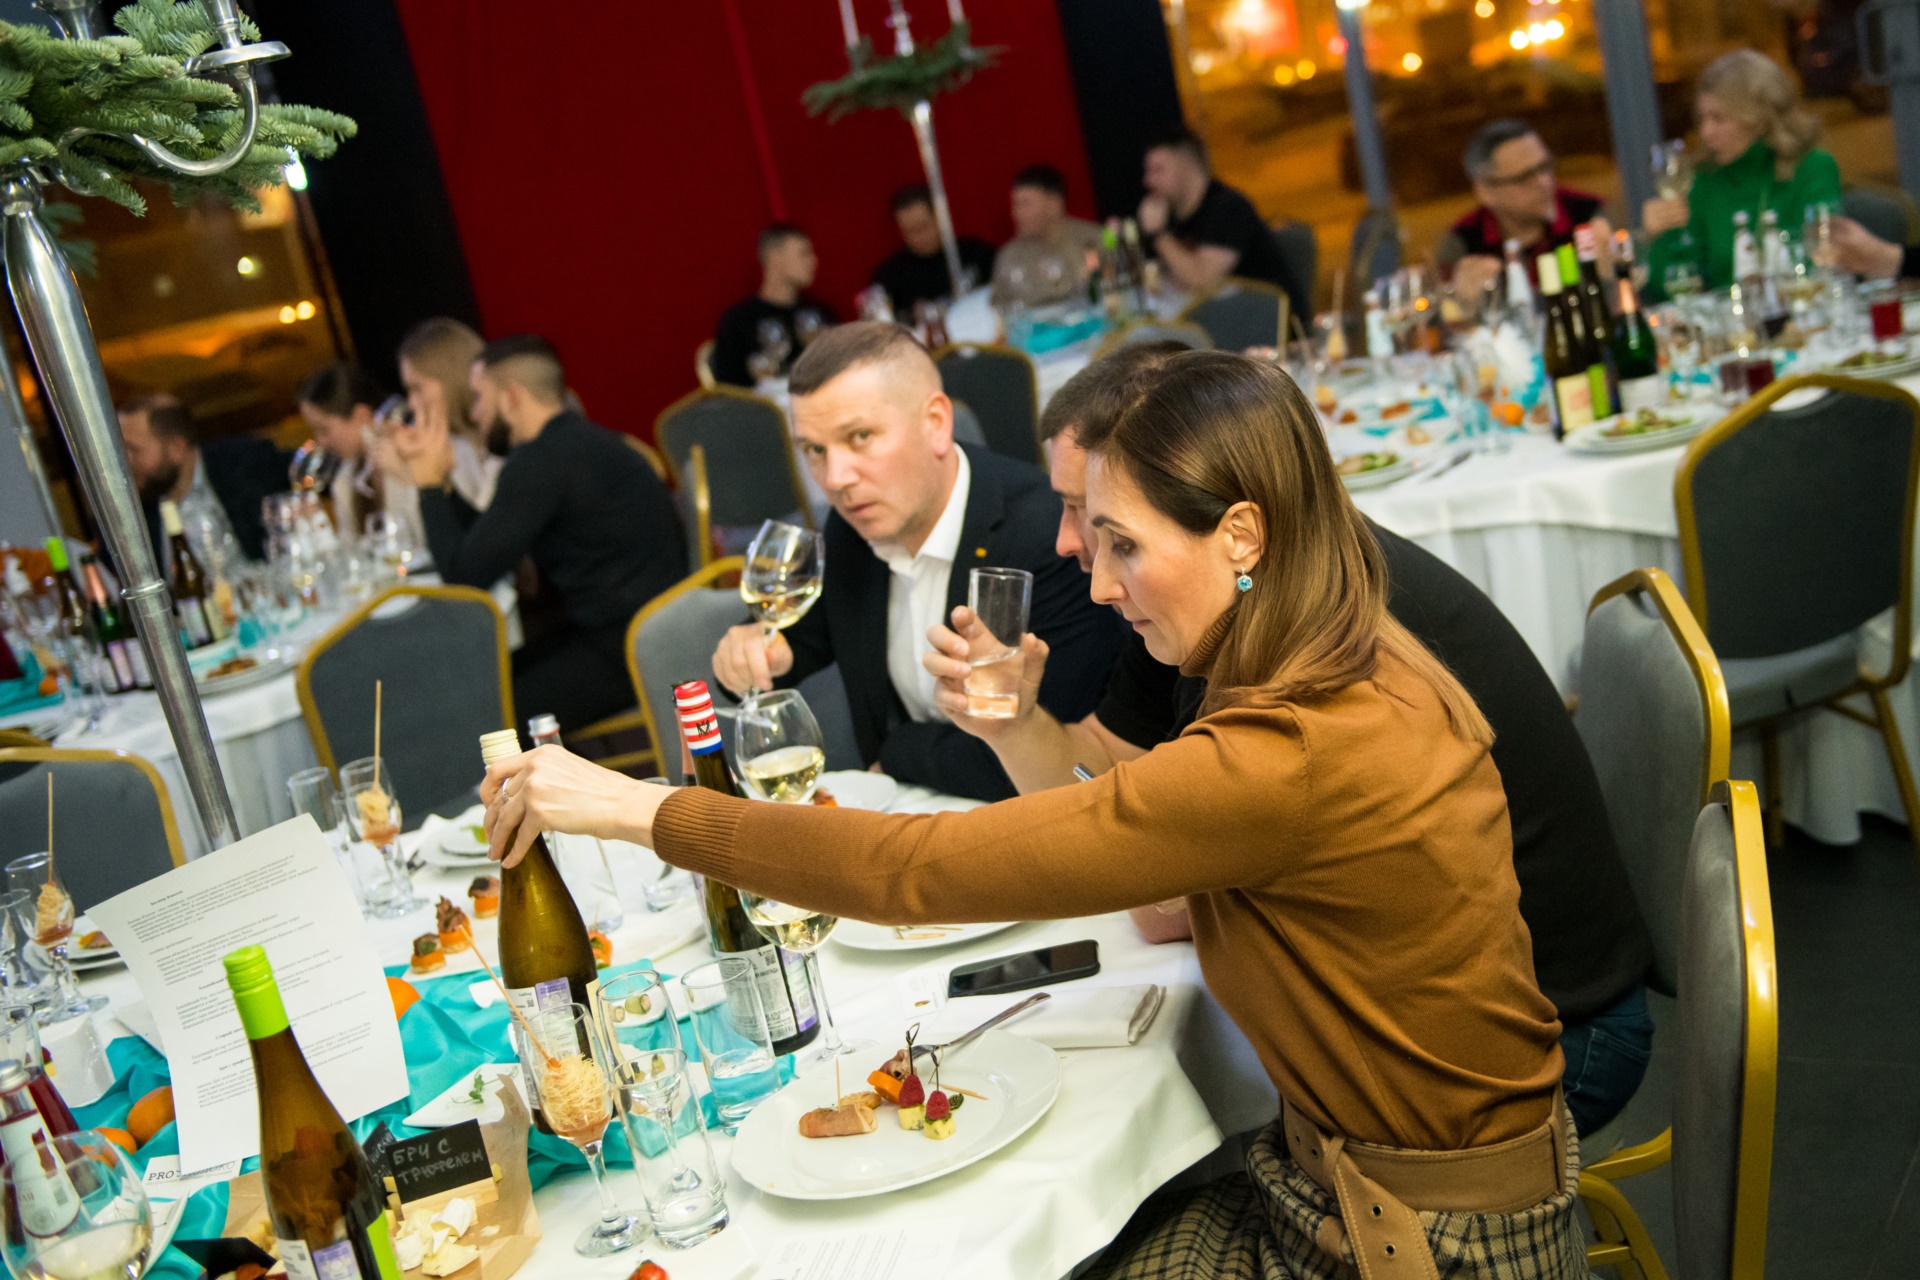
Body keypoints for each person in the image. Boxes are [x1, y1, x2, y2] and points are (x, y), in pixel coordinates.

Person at [484, 352, 1587, 1276]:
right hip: (1353, 1175)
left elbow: (914, 869)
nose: (1097, 582)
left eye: (1122, 544)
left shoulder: (1286, 750)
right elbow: (1152, 873)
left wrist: (642, 806)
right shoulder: (1341, 651)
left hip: (1426, 1240)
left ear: (1243, 536)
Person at [923, 343, 1653, 1135]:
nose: (1071, 545)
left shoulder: (1334, 629)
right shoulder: (1210, 593)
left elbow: (1161, 906)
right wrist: (1016, 727)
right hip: (1403, 1026)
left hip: (1541, 1042)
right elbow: (1104, 773)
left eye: (1093, 515)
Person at [708, 321, 1125, 801]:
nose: (836, 478)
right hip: (908, 809)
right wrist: (750, 655)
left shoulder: (1046, 536)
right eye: (815, 450)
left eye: (860, 436)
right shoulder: (853, 527)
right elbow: (798, 638)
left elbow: (1056, 754)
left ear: (936, 423)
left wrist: (898, 751)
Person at [393, 335, 686, 732]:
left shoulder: (540, 462)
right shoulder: (570, 444)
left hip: (630, 649)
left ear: (512, 397)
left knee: (476, 713)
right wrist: (442, 483)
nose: (475, 414)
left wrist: (427, 487)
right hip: (647, 630)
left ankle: (546, 769)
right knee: (483, 682)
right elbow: (489, 545)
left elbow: (463, 577)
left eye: (480, 398)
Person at [1644, 49, 1842, 298]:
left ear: (1760, 120)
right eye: (1703, 119)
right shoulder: (1704, 182)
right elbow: (1672, 291)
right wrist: (1662, 238)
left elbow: (1822, 260)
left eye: (1718, 119)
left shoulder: (1812, 168)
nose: (1706, 132)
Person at [1433, 119, 1607, 299]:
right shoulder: (1462, 243)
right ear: (1485, 191)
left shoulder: (1588, 214)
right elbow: (1447, 307)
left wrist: (1606, 277)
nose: (1544, 182)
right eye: (1524, 177)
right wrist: (1464, 305)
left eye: (1544, 166)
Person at [117, 394, 283, 569]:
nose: (124, 463)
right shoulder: (131, 511)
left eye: (133, 450)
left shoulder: (247, 464)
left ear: (177, 448)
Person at [1137, 126, 1287, 294]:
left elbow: (1203, 281)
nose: (1148, 181)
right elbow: (1166, 277)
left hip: (1264, 307)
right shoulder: (1171, 214)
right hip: (1218, 307)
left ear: (1188, 167)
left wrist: (1158, 235)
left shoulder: (1228, 208)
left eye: (1158, 170)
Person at [296, 362, 418, 546]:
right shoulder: (346, 479)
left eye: (324, 429)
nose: (320, 442)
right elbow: (352, 553)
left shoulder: (416, 458)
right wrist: (317, 531)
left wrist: (405, 476)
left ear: (361, 415)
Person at [396, 318, 503, 512]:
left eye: (417, 388)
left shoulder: (508, 443)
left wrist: (427, 480)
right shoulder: (453, 445)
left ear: (452, 379)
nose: (411, 404)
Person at [712, 224, 838, 387]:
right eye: (803, 253)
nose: (813, 261)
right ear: (775, 257)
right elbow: (729, 389)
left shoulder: (819, 313)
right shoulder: (740, 322)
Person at [869, 184, 996, 318]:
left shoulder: (975, 254)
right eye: (909, 231)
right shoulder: (890, 277)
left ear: (939, 218)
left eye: (923, 227)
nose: (918, 238)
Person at [990, 163, 1104, 310]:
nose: (1015, 213)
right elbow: (998, 310)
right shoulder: (1008, 257)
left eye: (1025, 204)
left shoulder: (1098, 238)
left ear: (1054, 205)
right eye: (1015, 205)